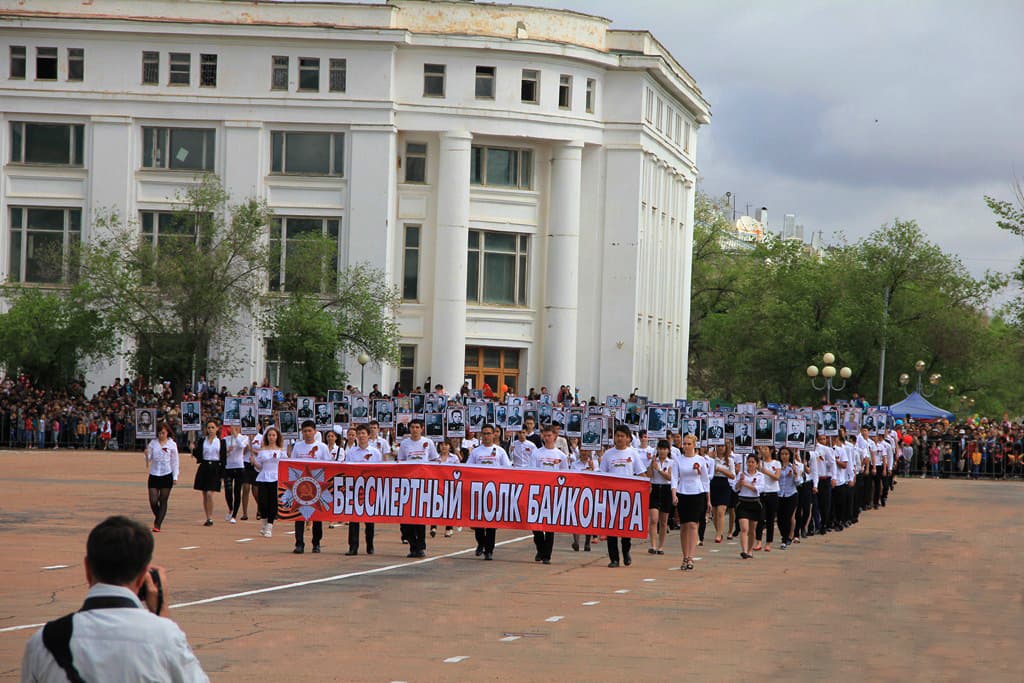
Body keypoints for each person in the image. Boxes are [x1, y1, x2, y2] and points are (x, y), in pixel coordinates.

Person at [21, 516, 208, 682]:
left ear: (87, 569)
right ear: (143, 575)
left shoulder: (44, 642)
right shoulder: (164, 637)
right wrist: (162, 612)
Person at [599, 425, 646, 568]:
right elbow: (601, 475)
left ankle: (626, 552)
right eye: (617, 435)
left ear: (627, 438)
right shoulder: (608, 454)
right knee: (611, 528)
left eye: (622, 436)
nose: (619, 439)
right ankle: (614, 558)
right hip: (611, 496)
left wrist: (646, 486)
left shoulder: (633, 454)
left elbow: (640, 473)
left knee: (626, 528)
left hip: (628, 496)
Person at [467, 425, 511, 560]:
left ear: (494, 435)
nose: (486, 436)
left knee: (491, 522)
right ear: (481, 435)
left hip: (495, 491)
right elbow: (468, 469)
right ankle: (481, 543)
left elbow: (507, 469)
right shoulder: (476, 452)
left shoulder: (500, 451)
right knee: (479, 521)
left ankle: (489, 550)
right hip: (479, 490)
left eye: (489, 433)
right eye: (484, 434)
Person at [397, 419, 439, 558]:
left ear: (422, 429)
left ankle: (420, 547)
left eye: (417, 427)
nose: (415, 430)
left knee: (420, 517)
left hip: (423, 484)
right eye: (412, 427)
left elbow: (434, 460)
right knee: (407, 519)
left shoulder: (428, 443)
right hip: (408, 484)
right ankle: (412, 544)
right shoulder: (404, 444)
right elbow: (400, 462)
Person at [290, 420, 332, 553]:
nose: (307, 434)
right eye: (305, 431)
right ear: (302, 433)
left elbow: (328, 465)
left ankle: (316, 542)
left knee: (316, 515)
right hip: (300, 485)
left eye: (310, 431)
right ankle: (299, 543)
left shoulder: (322, 447)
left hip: (317, 485)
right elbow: (292, 464)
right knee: (300, 515)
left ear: (315, 432)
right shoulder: (297, 446)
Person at [669, 433, 710, 571]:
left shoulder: (701, 460)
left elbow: (705, 480)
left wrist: (708, 499)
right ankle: (685, 555)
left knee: (693, 524)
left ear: (694, 445)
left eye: (688, 444)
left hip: (697, 493)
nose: (686, 446)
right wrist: (674, 494)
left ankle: (691, 556)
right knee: (684, 526)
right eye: (684, 444)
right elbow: (674, 478)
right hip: (682, 492)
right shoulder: (678, 460)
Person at [530, 425, 568, 564]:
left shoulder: (561, 456)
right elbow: (532, 472)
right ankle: (540, 548)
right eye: (544, 435)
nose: (547, 438)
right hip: (538, 493)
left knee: (550, 526)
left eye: (549, 435)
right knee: (536, 525)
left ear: (555, 436)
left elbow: (565, 475)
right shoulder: (536, 453)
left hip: (553, 494)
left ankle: (547, 555)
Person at [344, 424, 382, 555]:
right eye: (359, 433)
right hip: (355, 489)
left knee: (369, 519)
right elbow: (346, 470)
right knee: (354, 519)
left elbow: (380, 471)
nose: (361, 436)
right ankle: (353, 546)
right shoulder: (351, 452)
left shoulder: (375, 453)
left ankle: (370, 544)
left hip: (370, 489)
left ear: (368, 435)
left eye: (363, 433)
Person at [144, 422, 179, 532]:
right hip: (154, 474)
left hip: (166, 474)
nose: (161, 435)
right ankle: (159, 516)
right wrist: (146, 455)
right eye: (159, 433)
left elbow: (175, 461)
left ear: (167, 432)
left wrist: (175, 476)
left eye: (163, 433)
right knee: (153, 500)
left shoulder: (172, 444)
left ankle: (157, 524)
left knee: (163, 500)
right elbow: (149, 459)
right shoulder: (153, 443)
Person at [192, 420, 226, 526]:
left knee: (210, 494)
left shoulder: (221, 442)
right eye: (209, 427)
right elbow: (198, 455)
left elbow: (223, 458)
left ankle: (210, 517)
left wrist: (222, 474)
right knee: (204, 495)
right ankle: (208, 518)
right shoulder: (203, 440)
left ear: (217, 429)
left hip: (215, 468)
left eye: (212, 427)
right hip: (204, 467)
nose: (210, 430)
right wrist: (193, 449)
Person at [253, 427, 285, 538]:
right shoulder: (262, 451)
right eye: (269, 435)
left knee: (273, 502)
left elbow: (285, 464)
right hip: (263, 476)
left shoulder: (281, 451)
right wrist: (253, 462)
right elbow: (259, 466)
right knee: (262, 502)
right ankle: (264, 524)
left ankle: (269, 527)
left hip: (276, 477)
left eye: (273, 435)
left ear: (277, 437)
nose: (271, 437)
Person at [646, 439, 674, 555]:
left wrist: (659, 470)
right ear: (657, 449)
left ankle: (660, 546)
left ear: (668, 450)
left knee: (663, 521)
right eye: (660, 449)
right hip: (655, 489)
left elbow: (670, 477)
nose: (662, 451)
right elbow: (649, 476)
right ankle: (652, 545)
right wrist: (652, 467)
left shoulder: (671, 462)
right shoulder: (654, 461)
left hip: (666, 489)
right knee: (653, 519)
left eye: (664, 449)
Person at [733, 454, 764, 559]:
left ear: (757, 464)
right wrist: (740, 482)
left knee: (752, 530)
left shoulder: (760, 475)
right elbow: (735, 488)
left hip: (754, 503)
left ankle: (750, 549)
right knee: (744, 528)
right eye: (748, 462)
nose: (750, 464)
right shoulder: (742, 474)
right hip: (743, 502)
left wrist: (747, 485)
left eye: (752, 462)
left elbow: (759, 489)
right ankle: (744, 550)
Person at [754, 445, 781, 552]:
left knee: (770, 519)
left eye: (766, 449)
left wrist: (766, 472)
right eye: (762, 449)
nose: (764, 451)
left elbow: (777, 477)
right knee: (760, 518)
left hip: (773, 492)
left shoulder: (776, 463)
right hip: (761, 493)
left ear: (771, 451)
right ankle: (758, 541)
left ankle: (769, 542)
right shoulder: (759, 463)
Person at [222, 426, 248, 524]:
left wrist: (236, 436)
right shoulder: (226, 439)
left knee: (237, 491)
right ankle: (230, 508)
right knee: (228, 490)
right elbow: (222, 453)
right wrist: (227, 451)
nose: (234, 428)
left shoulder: (244, 438)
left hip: (239, 467)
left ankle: (234, 515)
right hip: (228, 467)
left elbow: (242, 446)